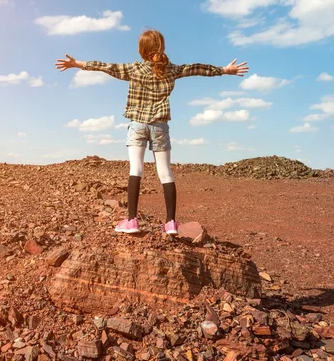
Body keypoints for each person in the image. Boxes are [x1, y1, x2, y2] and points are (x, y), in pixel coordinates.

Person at [55, 29, 249, 235]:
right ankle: (171, 223)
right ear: (162, 48)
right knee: (165, 172)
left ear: (141, 50)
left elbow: (105, 67)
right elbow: (195, 68)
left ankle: (131, 221)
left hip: (137, 124)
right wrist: (224, 70)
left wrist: (76, 64)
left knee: (136, 169)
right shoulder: (171, 70)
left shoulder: (134, 69)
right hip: (160, 126)